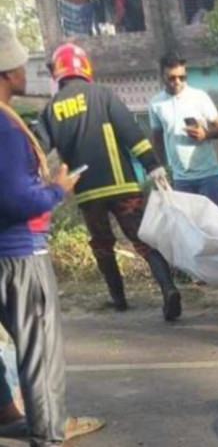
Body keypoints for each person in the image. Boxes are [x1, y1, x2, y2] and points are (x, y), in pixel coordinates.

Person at [0, 23, 104, 447]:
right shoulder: (6, 128)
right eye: (20, 64)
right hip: (20, 254)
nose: (26, 71)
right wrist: (57, 189)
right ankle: (48, 434)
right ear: (7, 72)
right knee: (40, 352)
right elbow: (16, 199)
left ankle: (8, 414)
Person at [40, 43, 182, 320]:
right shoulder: (102, 95)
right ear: (85, 67)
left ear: (58, 72)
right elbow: (131, 133)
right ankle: (169, 289)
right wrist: (152, 165)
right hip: (122, 186)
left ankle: (118, 299)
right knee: (142, 239)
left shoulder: (51, 110)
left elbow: (38, 149)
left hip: (87, 192)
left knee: (102, 244)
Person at [149, 52, 218, 208]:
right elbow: (158, 141)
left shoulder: (199, 97)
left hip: (208, 176)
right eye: (172, 78)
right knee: (187, 222)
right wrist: (160, 172)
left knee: (216, 220)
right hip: (181, 180)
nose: (177, 82)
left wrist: (205, 134)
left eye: (182, 77)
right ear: (162, 76)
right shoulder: (156, 103)